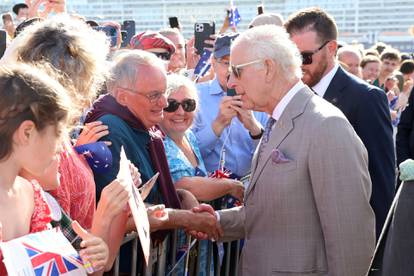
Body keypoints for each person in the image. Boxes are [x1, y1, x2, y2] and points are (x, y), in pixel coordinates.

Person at [196, 25, 375, 276]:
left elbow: (351, 242)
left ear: (268, 68)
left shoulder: (326, 126)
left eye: (237, 70)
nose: (230, 81)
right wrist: (217, 221)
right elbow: (273, 212)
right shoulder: (278, 119)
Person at [84, 50, 220, 272]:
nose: (164, 102)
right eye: (154, 95)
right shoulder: (108, 131)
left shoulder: (144, 125)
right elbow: (125, 211)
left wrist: (184, 197)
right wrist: (186, 219)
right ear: (122, 97)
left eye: (164, 92)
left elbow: (151, 188)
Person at [285, 7, 395, 239]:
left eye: (304, 57)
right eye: (290, 58)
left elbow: (380, 177)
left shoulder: (366, 98)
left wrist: (374, 252)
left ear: (331, 48)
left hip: (345, 236)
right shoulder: (290, 94)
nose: (298, 65)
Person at [0, 64, 108, 274]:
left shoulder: (34, 194)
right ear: (27, 132)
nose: (61, 146)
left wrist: (92, 259)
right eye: (58, 133)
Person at [193, 33, 268, 178]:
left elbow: (273, 154)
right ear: (213, 62)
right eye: (226, 62)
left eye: (237, 64)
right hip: (211, 191)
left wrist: (254, 127)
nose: (230, 70)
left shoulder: (260, 95)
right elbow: (189, 154)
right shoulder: (195, 96)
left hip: (251, 185)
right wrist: (218, 124)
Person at [161, 74, 244, 202]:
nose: (181, 112)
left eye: (188, 104)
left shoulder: (189, 136)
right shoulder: (159, 141)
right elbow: (185, 187)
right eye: (171, 105)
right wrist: (229, 186)